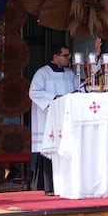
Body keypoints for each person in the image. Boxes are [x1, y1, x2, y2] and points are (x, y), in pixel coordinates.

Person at [29, 43, 77, 196]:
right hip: (48, 116)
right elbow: (34, 92)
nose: (68, 58)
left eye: (68, 55)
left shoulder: (70, 74)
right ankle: (46, 184)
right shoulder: (42, 73)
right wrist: (55, 98)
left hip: (66, 118)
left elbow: (77, 90)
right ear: (55, 56)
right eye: (65, 55)